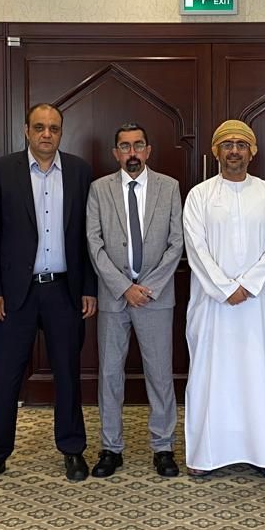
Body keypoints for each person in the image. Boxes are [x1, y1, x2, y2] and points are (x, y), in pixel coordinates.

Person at [0, 103, 97, 487]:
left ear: (61, 133)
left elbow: (86, 236)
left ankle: (72, 450)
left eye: (54, 128)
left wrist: (89, 288)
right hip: (13, 295)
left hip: (64, 291)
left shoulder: (78, 171)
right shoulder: (2, 170)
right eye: (39, 127)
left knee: (67, 374)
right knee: (7, 377)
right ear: (26, 130)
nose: (46, 134)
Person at [183, 120, 265, 479]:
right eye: (227, 144)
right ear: (215, 151)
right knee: (210, 375)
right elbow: (195, 248)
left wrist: (248, 283)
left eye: (241, 145)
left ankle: (264, 453)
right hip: (213, 304)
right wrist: (226, 288)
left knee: (260, 375)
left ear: (253, 151)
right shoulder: (199, 195)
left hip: (259, 305)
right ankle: (204, 453)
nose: (234, 151)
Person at [85, 123, 184, 478]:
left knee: (159, 375)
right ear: (116, 153)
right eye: (124, 146)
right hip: (114, 297)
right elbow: (93, 243)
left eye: (138, 145)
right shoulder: (99, 190)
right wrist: (123, 286)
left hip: (155, 298)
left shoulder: (169, 187)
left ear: (148, 150)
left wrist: (149, 287)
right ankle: (111, 447)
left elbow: (177, 243)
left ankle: (163, 446)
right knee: (110, 374)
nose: (132, 153)